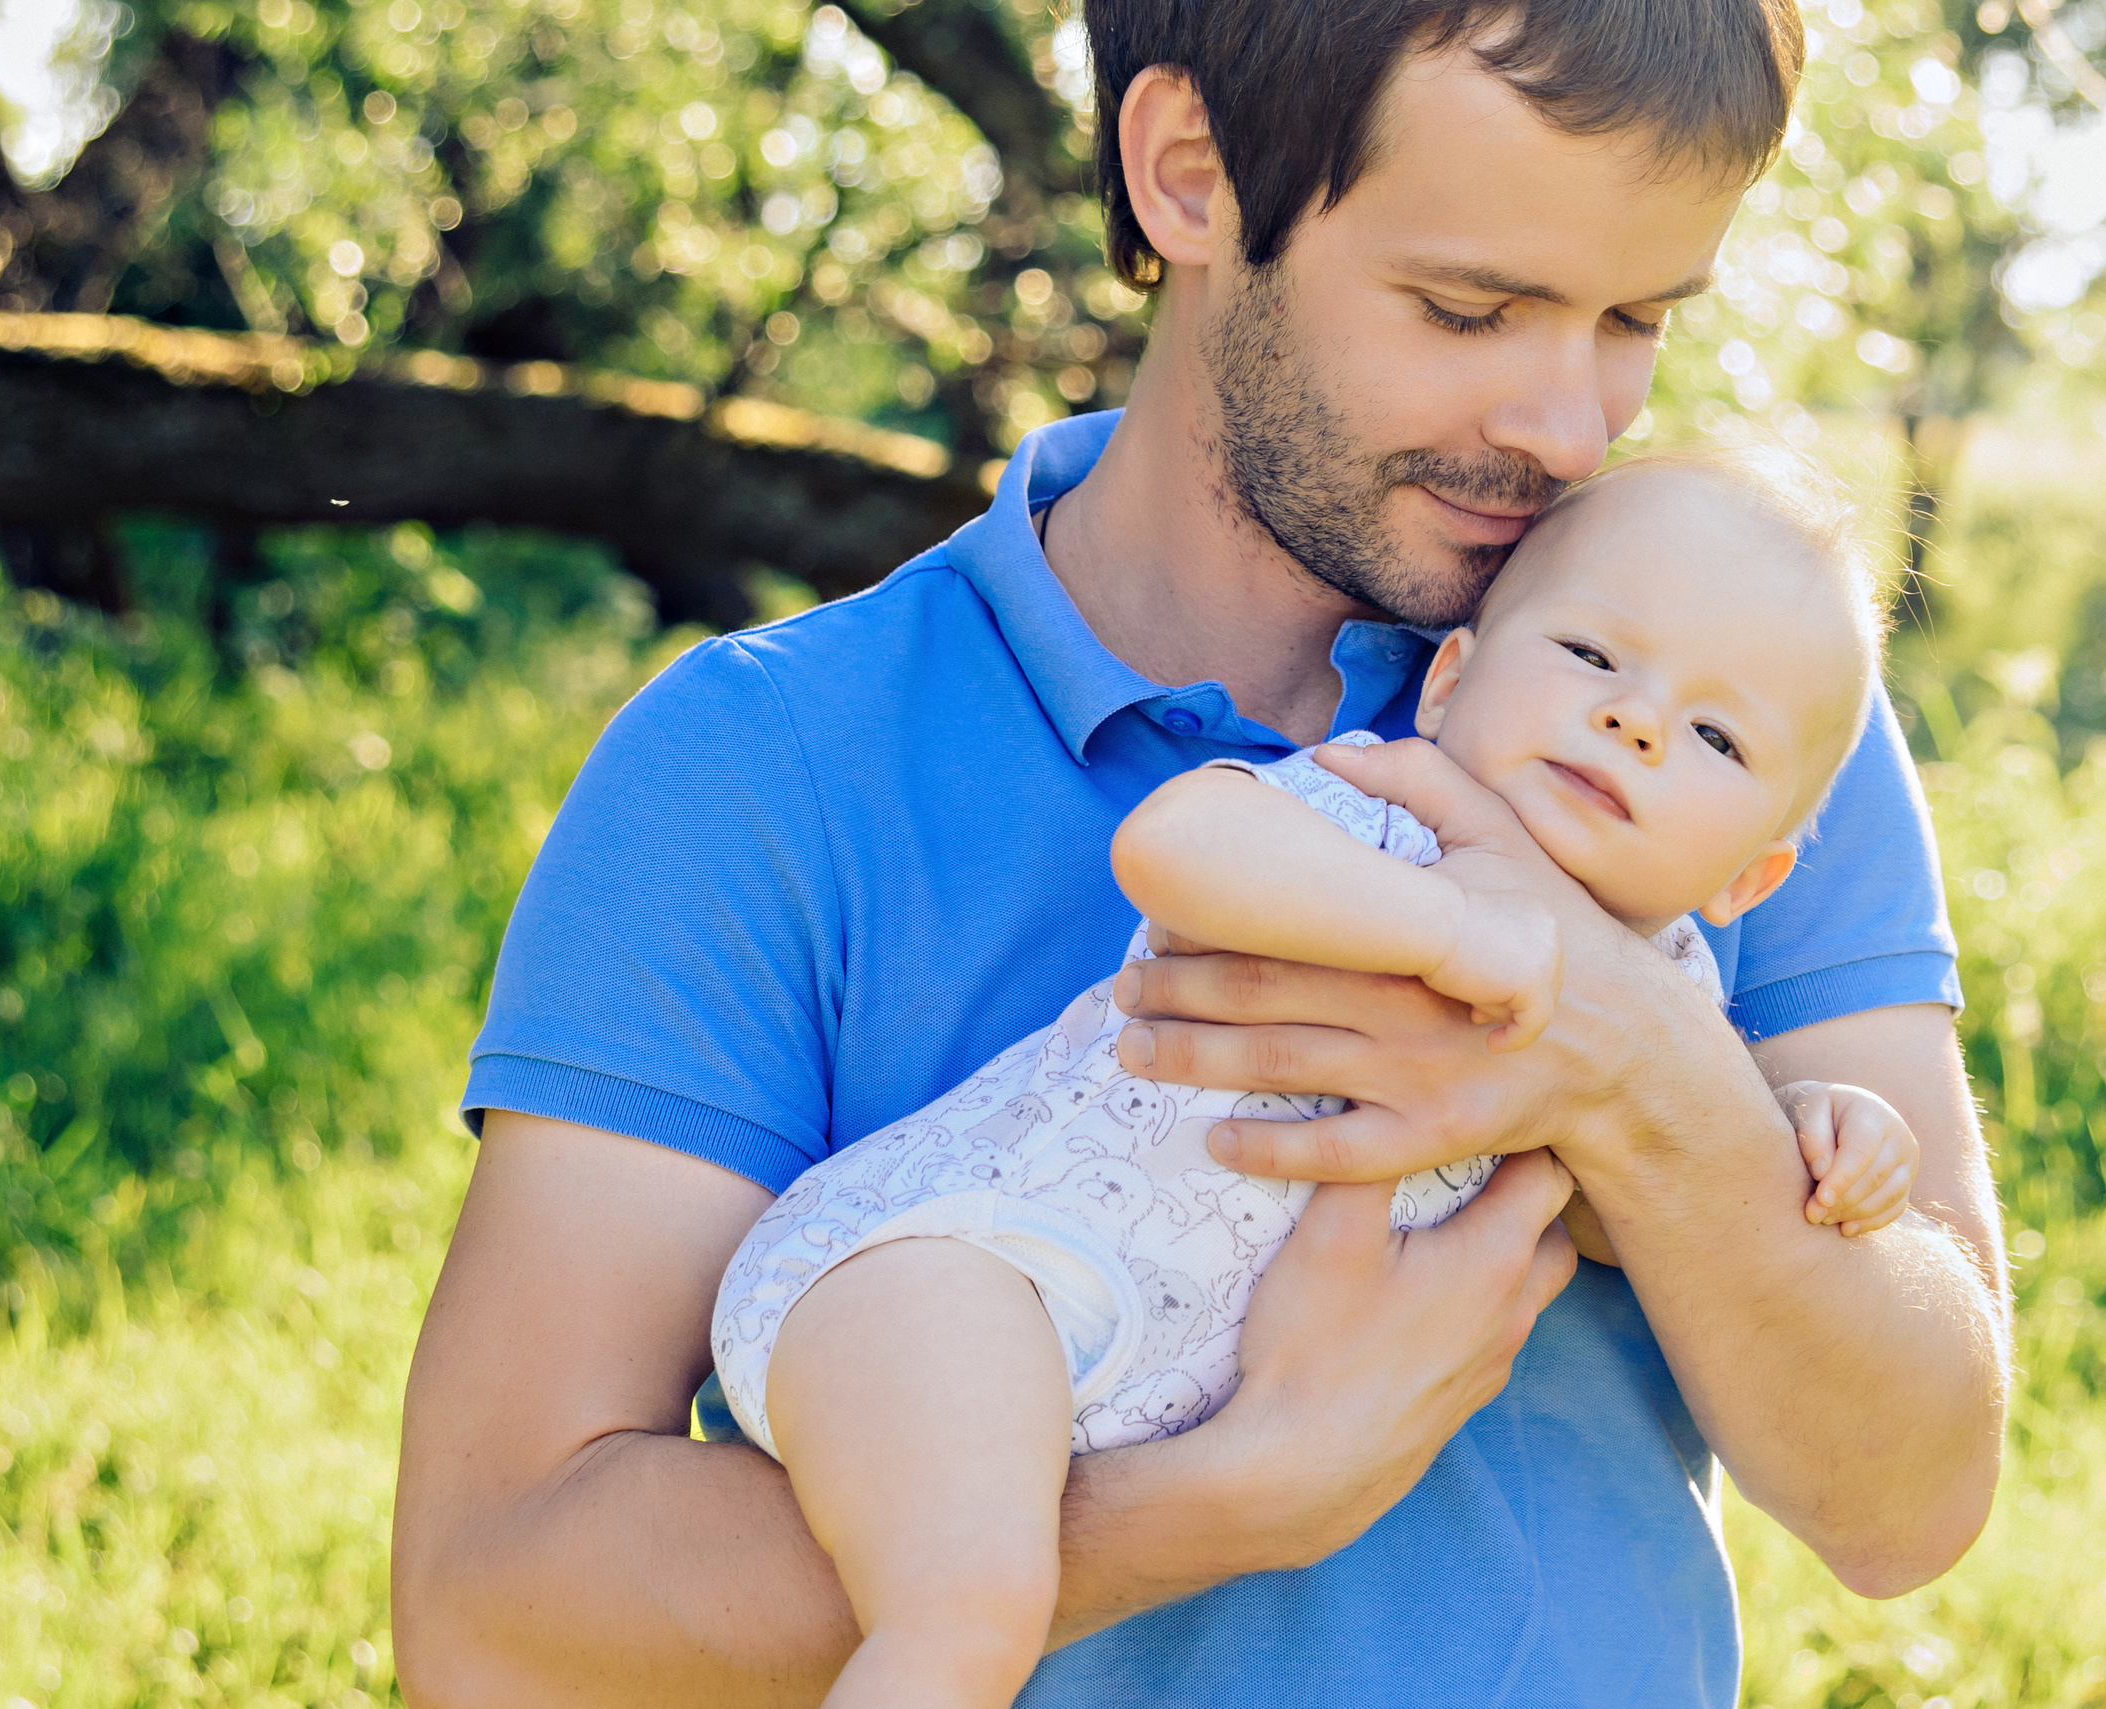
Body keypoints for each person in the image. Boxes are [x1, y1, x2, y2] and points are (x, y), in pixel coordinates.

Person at [391, 3, 2012, 1705]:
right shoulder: (764, 764)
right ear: (1186, 173)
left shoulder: (1702, 709)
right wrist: (1210, 1501)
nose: (1567, 426)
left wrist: (1635, 1068)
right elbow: (494, 1620)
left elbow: (1913, 1497)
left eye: (1639, 319)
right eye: (1469, 306)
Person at [715, 450, 1926, 1709]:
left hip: (1125, 1375)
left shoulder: (1673, 997)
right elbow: (1178, 843)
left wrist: (1803, 1130)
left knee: (989, 1554)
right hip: (954, 1263)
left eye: (1716, 734)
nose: (1635, 720)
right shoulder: (1389, 809)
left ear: (1748, 879)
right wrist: (1446, 931)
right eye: (1590, 657)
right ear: (1449, 681)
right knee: (969, 1612)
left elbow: (1650, 1208)